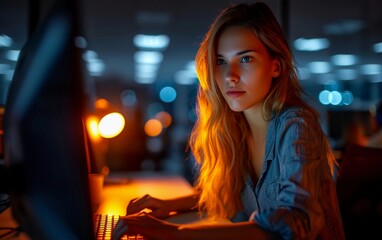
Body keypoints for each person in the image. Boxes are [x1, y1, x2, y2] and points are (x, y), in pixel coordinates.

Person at [113, 2, 345, 239]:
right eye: (221, 61)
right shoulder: (235, 126)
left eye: (245, 59)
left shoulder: (296, 125)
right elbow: (229, 192)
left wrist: (177, 234)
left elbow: (296, 224)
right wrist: (171, 204)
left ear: (275, 67)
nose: (230, 76)